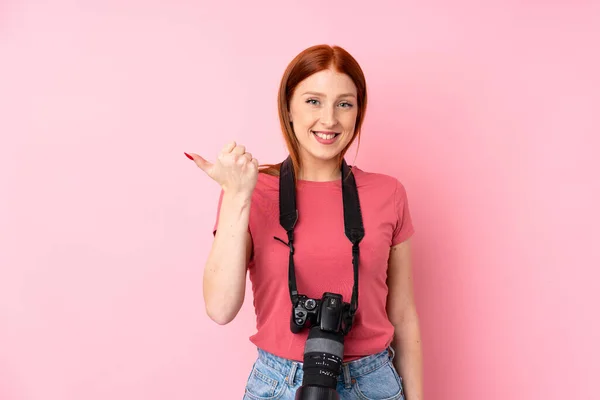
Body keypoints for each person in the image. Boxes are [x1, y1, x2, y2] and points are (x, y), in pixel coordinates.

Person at [185, 44, 423, 400]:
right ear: (288, 108)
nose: (329, 119)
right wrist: (237, 195)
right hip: (279, 381)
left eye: (344, 103)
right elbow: (219, 309)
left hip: (371, 381)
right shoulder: (251, 189)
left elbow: (403, 315)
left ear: (358, 112)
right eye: (313, 101)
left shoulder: (388, 193)